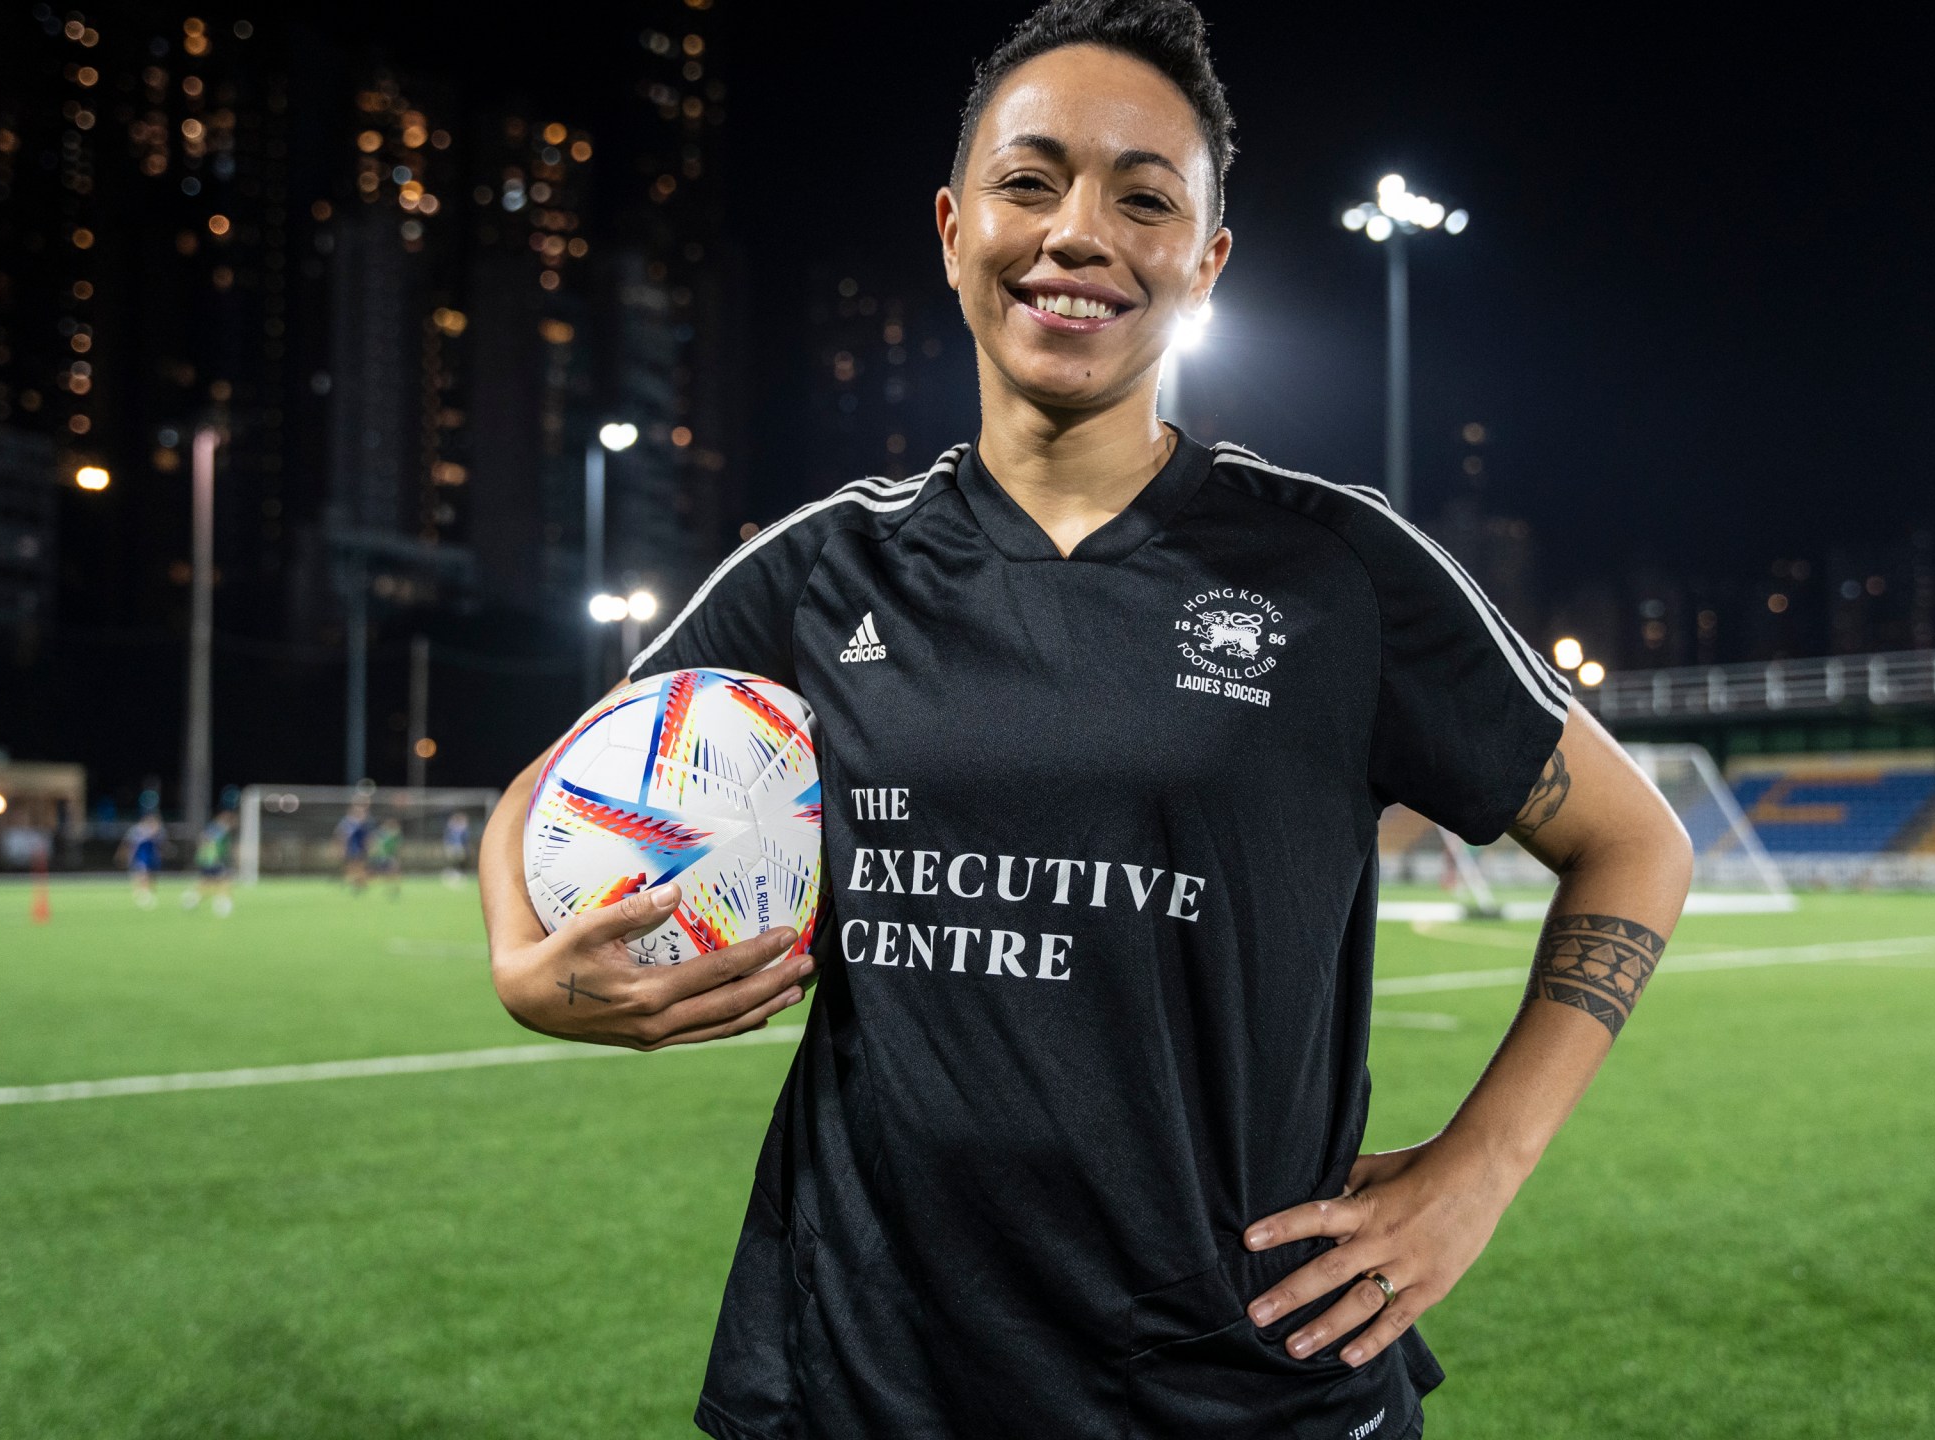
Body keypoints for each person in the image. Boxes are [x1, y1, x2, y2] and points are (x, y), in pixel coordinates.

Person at [477, 4, 1694, 1435]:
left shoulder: (1336, 569)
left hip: (1238, 1382)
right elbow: (535, 794)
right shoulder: (828, 566)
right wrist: (522, 966)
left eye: (1144, 197)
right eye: (1030, 180)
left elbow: (1636, 845)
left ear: (1204, 263)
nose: (1077, 232)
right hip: (864, 1382)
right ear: (952, 228)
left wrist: (1480, 1168)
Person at [188, 809, 235, 916]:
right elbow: (208, 840)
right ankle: (222, 902)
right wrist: (213, 856)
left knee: (209, 882)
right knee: (223, 880)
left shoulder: (214, 827)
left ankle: (193, 899)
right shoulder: (220, 829)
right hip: (212, 860)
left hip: (209, 859)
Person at [118, 810, 163, 909]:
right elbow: (129, 844)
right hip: (140, 857)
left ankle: (144, 893)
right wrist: (124, 855)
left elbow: (158, 845)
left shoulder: (157, 831)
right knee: (141, 875)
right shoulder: (137, 831)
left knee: (150, 876)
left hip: (150, 858)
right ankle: (141, 895)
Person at [335, 801, 373, 896]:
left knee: (359, 866)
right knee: (354, 866)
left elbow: (367, 838)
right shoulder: (349, 824)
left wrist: (369, 846)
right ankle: (356, 883)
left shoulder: (363, 824)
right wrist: (341, 848)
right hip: (353, 848)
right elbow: (342, 835)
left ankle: (358, 883)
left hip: (360, 848)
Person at [370, 817, 404, 900]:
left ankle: (394, 889)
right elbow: (375, 845)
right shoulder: (382, 834)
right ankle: (393, 889)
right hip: (383, 857)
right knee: (386, 874)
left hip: (389, 857)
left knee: (394, 872)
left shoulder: (395, 835)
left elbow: (397, 848)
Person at [441, 810, 472, 888]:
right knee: (453, 861)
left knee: (460, 861)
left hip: (459, 847)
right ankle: (453, 873)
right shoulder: (451, 828)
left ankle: (459, 874)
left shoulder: (463, 829)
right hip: (453, 846)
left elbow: (466, 839)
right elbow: (447, 837)